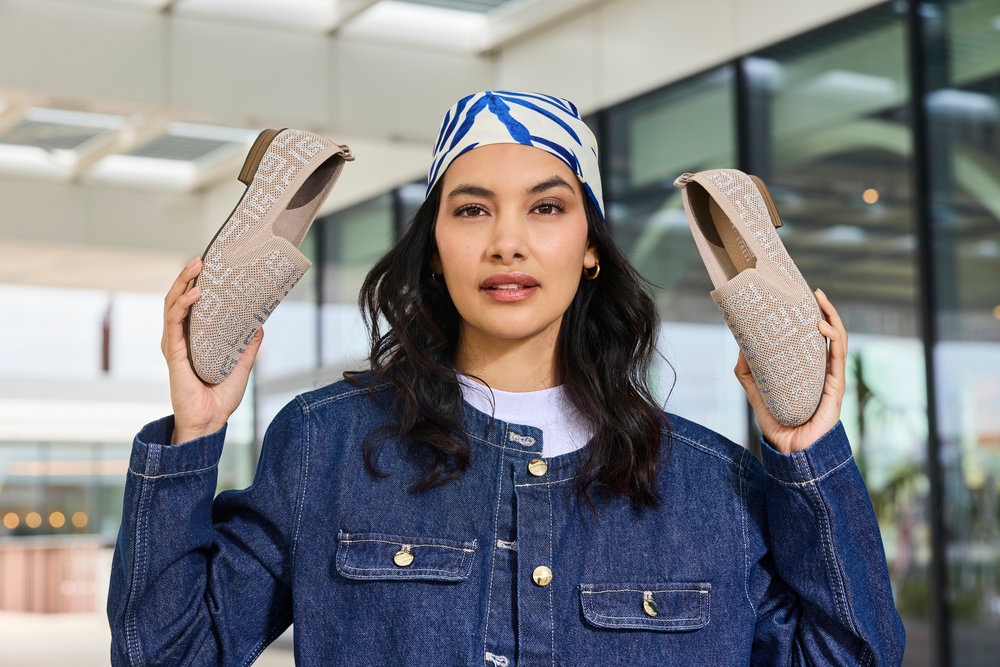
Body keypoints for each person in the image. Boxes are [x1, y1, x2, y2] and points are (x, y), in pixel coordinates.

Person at [108, 91, 906, 666]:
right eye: (472, 209)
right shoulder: (329, 445)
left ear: (590, 246)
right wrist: (196, 430)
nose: (508, 243)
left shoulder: (707, 484)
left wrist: (808, 451)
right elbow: (166, 653)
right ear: (434, 247)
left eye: (548, 208)